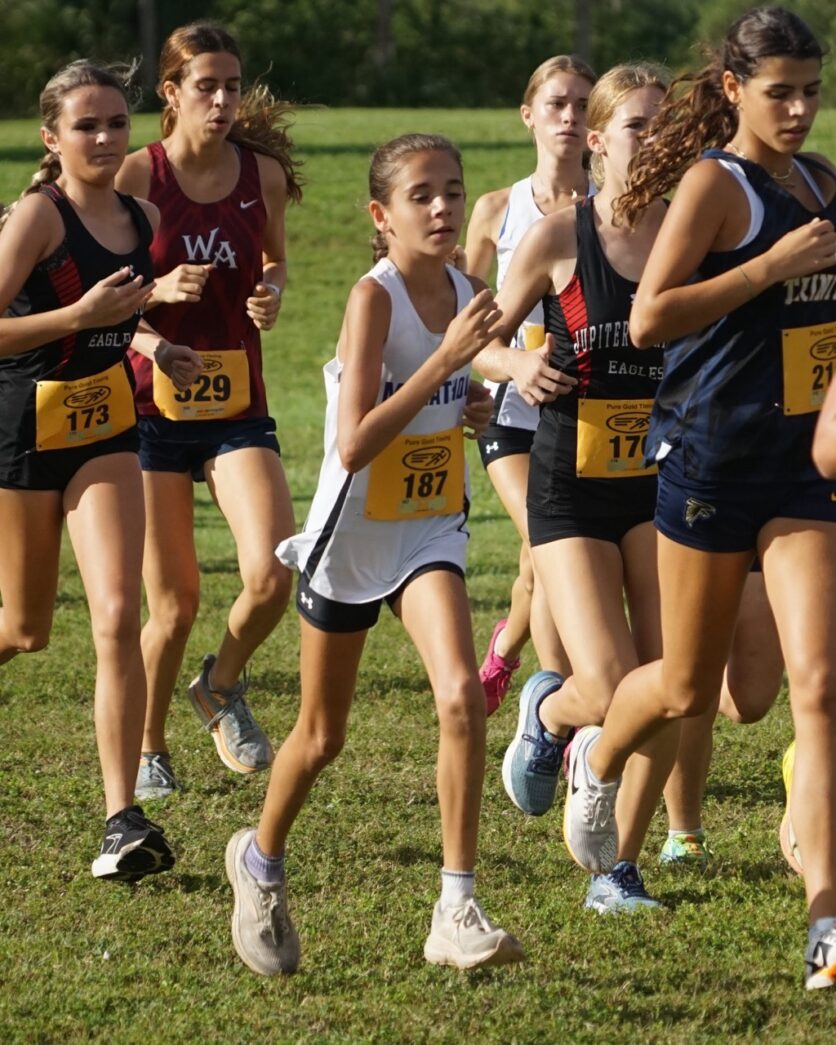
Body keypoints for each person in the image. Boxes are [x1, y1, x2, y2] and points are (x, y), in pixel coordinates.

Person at [560, 7, 836, 990]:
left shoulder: (822, 188)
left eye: (810, 89)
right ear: (732, 90)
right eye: (779, 92)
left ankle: (824, 927)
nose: (799, 109)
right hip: (707, 464)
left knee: (806, 687)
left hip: (798, 473)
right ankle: (594, 770)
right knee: (684, 688)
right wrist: (765, 268)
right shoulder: (715, 188)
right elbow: (648, 315)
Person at [224, 133, 525, 974]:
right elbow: (354, 443)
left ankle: (456, 906)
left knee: (463, 694)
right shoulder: (373, 298)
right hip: (351, 533)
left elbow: (453, 395)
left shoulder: (470, 290)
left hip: (429, 526)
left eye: (453, 193)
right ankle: (260, 856)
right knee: (321, 736)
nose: (441, 208)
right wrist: (445, 365)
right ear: (380, 214)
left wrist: (470, 405)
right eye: (422, 195)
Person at [486, 63, 679, 912]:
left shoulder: (692, 237)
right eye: (639, 126)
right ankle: (551, 713)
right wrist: (517, 362)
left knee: (675, 681)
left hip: (660, 482)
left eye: (668, 128)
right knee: (605, 681)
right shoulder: (562, 236)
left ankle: (617, 869)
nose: (657, 143)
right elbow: (474, 341)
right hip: (567, 484)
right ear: (597, 141)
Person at [0, 60, 198, 879]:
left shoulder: (141, 211)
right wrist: (78, 316)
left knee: (118, 613)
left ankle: (122, 819)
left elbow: (122, 313)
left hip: (108, 424)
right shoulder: (35, 218)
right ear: (53, 138)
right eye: (87, 126)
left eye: (117, 123)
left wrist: (154, 341)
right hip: (22, 426)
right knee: (24, 628)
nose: (106, 138)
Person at [116, 22, 303, 798]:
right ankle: (149, 746)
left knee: (273, 570)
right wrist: (154, 315)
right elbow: (95, 304)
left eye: (231, 86)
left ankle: (218, 684)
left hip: (234, 401)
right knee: (177, 600)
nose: (223, 101)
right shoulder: (134, 176)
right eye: (206, 87)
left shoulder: (261, 174)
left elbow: (276, 257)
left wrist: (272, 291)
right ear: (172, 93)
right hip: (151, 408)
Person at [465, 55, 595, 714]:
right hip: (514, 417)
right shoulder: (495, 211)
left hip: (598, 418)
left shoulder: (617, 209)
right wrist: (512, 366)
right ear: (529, 115)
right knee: (547, 550)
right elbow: (459, 323)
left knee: (534, 560)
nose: (570, 118)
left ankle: (505, 649)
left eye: (582, 106)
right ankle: (557, 713)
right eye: (556, 104)